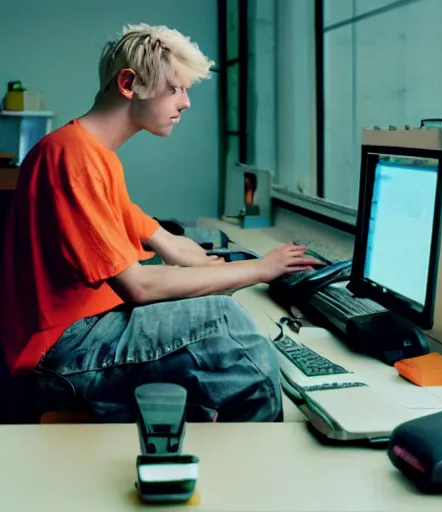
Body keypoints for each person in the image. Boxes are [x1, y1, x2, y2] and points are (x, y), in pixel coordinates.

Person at [0, 23, 317, 423]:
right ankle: (258, 471)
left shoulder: (95, 155)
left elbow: (170, 243)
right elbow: (139, 286)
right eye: (175, 89)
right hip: (58, 351)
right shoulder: (73, 157)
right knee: (230, 327)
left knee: (218, 314)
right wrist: (259, 269)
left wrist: (226, 268)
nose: (185, 103)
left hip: (85, 331)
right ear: (129, 84)